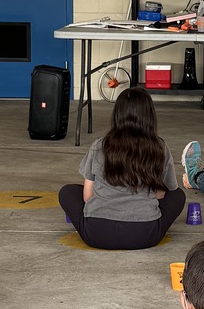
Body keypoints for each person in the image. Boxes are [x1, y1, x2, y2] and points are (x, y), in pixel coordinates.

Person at [58, 87, 185, 249]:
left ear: (117, 115)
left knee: (68, 191)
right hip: (145, 235)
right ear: (150, 116)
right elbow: (161, 194)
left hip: (96, 233)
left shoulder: (100, 145)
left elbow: (87, 196)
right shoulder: (159, 147)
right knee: (178, 195)